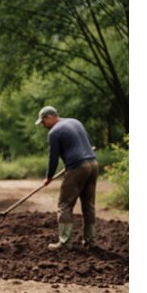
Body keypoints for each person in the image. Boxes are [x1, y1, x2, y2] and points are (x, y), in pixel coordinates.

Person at [35, 106, 99, 250]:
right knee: (88, 205)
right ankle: (90, 241)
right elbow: (90, 143)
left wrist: (49, 176)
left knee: (64, 205)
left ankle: (65, 243)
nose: (43, 125)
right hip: (93, 164)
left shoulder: (54, 132)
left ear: (50, 117)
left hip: (78, 167)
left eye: (43, 122)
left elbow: (53, 158)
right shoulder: (75, 122)